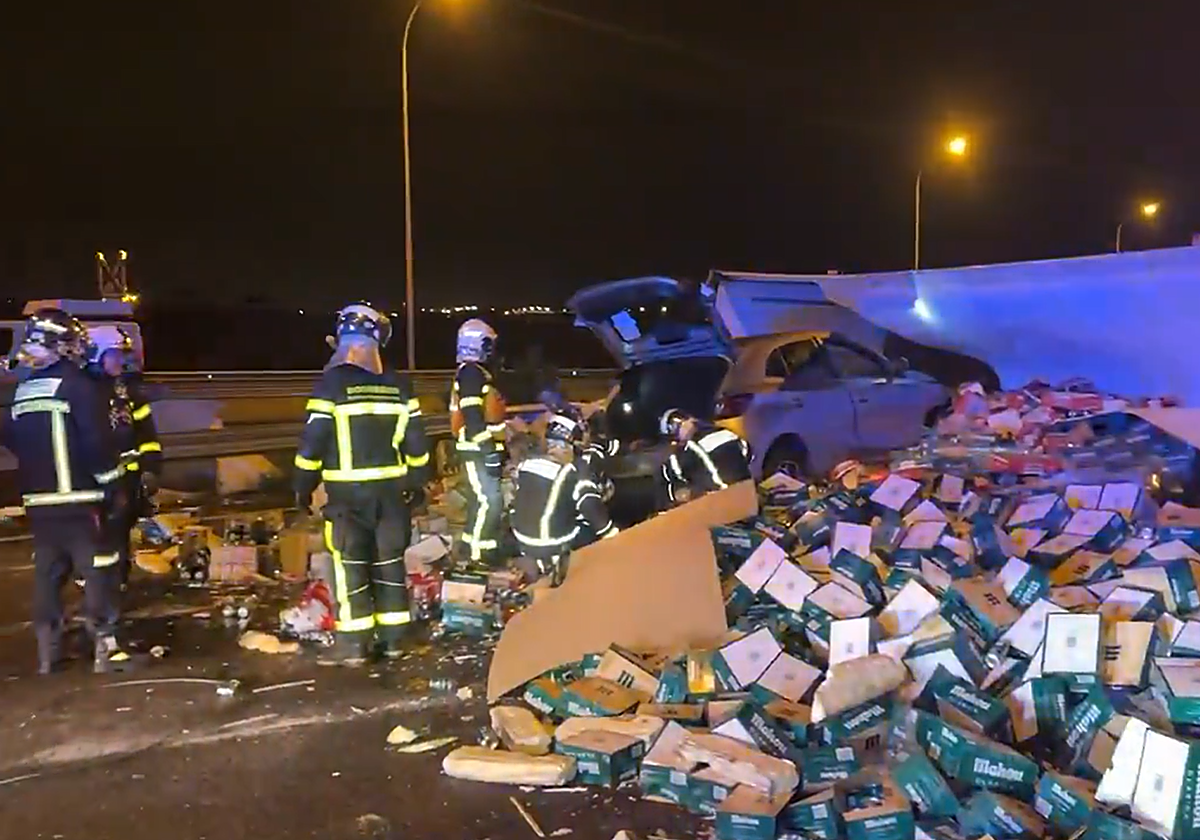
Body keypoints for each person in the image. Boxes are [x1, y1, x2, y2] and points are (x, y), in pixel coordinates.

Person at [293, 303, 431, 665]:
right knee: (390, 568)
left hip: (347, 500)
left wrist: (301, 485)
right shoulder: (400, 386)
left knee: (350, 569)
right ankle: (394, 641)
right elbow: (417, 444)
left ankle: (354, 646)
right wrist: (417, 481)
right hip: (391, 498)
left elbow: (313, 442)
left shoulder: (332, 384)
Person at [0, 309, 130, 674]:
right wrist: (114, 484)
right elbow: (96, 443)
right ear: (63, 345)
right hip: (80, 501)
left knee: (49, 574)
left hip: (39, 505)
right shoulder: (78, 386)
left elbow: (14, 439)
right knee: (99, 570)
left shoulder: (24, 389)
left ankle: (48, 653)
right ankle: (107, 647)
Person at [85, 326, 161, 591]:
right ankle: (99, 590)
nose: (120, 361)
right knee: (99, 539)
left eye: (121, 355)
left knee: (121, 535)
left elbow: (147, 433)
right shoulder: (84, 392)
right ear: (96, 355)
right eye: (114, 355)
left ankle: (118, 584)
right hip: (97, 483)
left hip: (128, 479)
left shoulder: (128, 393)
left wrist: (150, 469)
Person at [512, 413, 617, 585]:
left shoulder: (526, 464)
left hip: (523, 542)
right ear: (570, 444)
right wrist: (612, 534)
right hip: (552, 544)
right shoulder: (573, 471)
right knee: (588, 524)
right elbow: (589, 505)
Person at [450, 318, 506, 568]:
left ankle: (479, 549)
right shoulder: (471, 374)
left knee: (480, 501)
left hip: (479, 449)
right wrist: (489, 450)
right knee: (490, 501)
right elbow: (473, 416)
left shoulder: (474, 373)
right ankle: (477, 557)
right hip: (477, 451)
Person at [659, 408, 751, 507]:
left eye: (681, 420)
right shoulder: (724, 431)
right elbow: (747, 452)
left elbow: (664, 474)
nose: (683, 426)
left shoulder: (692, 448)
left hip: (730, 500)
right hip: (738, 498)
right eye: (676, 427)